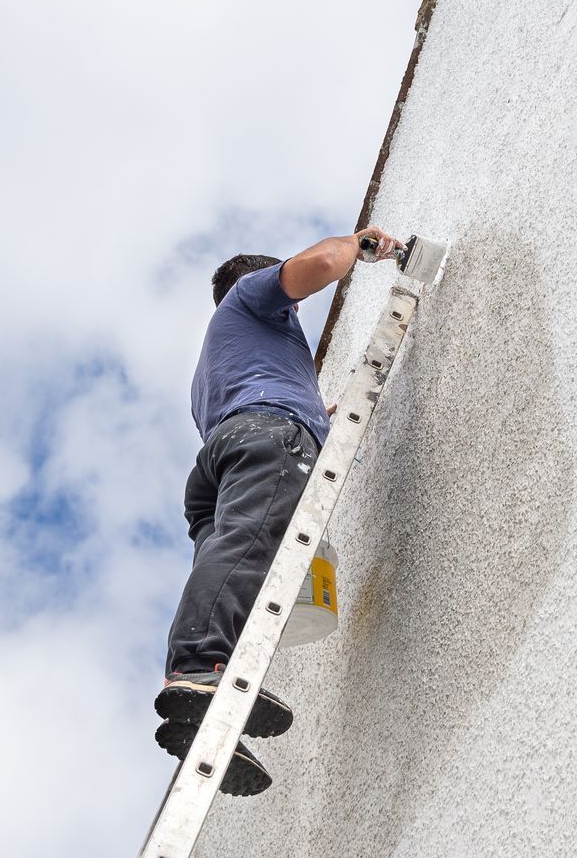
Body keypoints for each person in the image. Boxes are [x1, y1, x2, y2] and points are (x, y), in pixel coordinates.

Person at [154, 225, 405, 796]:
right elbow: (318, 263)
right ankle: (196, 668)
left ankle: (210, 710)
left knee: (238, 570)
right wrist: (358, 245)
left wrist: (326, 417)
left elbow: (261, 404)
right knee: (248, 546)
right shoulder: (251, 299)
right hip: (265, 439)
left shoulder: (221, 363)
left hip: (223, 463)